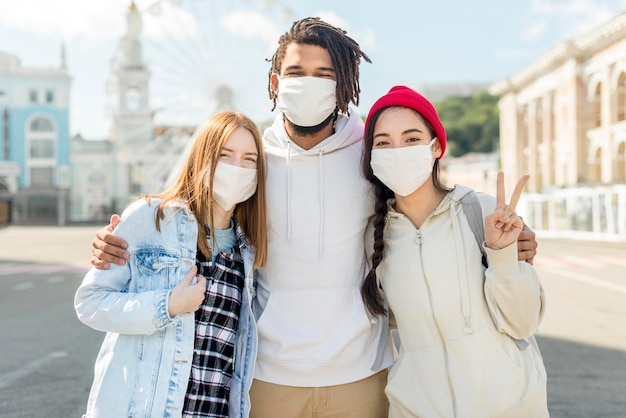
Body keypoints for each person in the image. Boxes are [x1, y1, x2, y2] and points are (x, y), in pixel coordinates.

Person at [89, 18, 539, 418]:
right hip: (267, 376)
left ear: (344, 85)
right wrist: (125, 242)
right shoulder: (250, 160)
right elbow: (192, 212)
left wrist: (505, 240)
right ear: (273, 81)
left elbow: (427, 200)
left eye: (324, 75)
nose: (309, 84)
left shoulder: (374, 149)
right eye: (296, 72)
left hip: (363, 374)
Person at [361, 85, 548, 417]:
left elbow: (522, 324)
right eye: (383, 142)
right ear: (373, 158)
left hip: (508, 407)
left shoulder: (482, 212)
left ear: (435, 148)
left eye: (411, 138)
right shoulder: (373, 237)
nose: (398, 150)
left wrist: (502, 255)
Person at [74, 111, 268, 418]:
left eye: (249, 159)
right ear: (203, 158)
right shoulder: (150, 218)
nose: (237, 168)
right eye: (225, 155)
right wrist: (166, 306)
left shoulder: (249, 252)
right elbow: (90, 302)